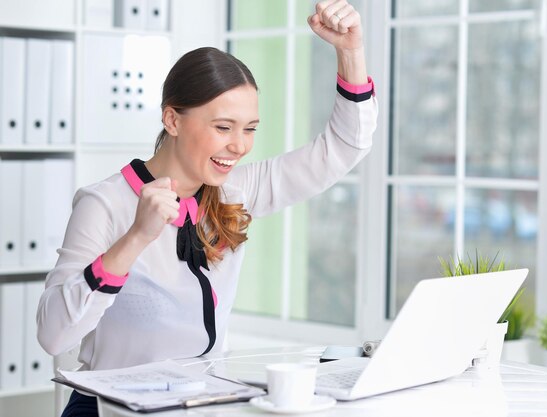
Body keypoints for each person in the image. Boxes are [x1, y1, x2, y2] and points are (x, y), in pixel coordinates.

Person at [38, 1, 377, 416]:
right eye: (222, 127)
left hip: (202, 404)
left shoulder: (235, 191)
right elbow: (53, 335)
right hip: (109, 410)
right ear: (173, 120)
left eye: (249, 129)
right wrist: (136, 238)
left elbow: (344, 148)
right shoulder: (103, 204)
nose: (239, 145)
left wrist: (352, 51)